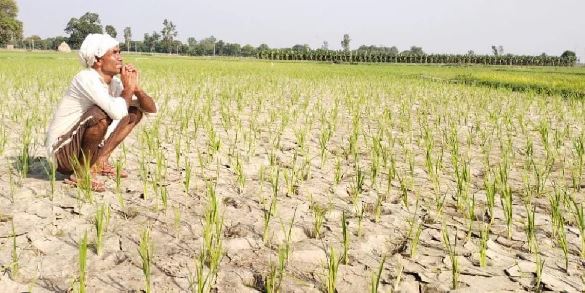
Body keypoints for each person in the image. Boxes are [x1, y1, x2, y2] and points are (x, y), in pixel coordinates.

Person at [45, 33, 157, 192]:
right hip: (62, 152)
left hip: (79, 146)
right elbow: (117, 112)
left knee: (134, 111)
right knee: (100, 114)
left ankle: (99, 163)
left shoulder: (115, 83)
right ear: (98, 60)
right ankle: (81, 175)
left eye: (119, 52)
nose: (120, 58)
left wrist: (136, 89)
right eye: (114, 53)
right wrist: (128, 89)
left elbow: (151, 109)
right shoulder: (86, 78)